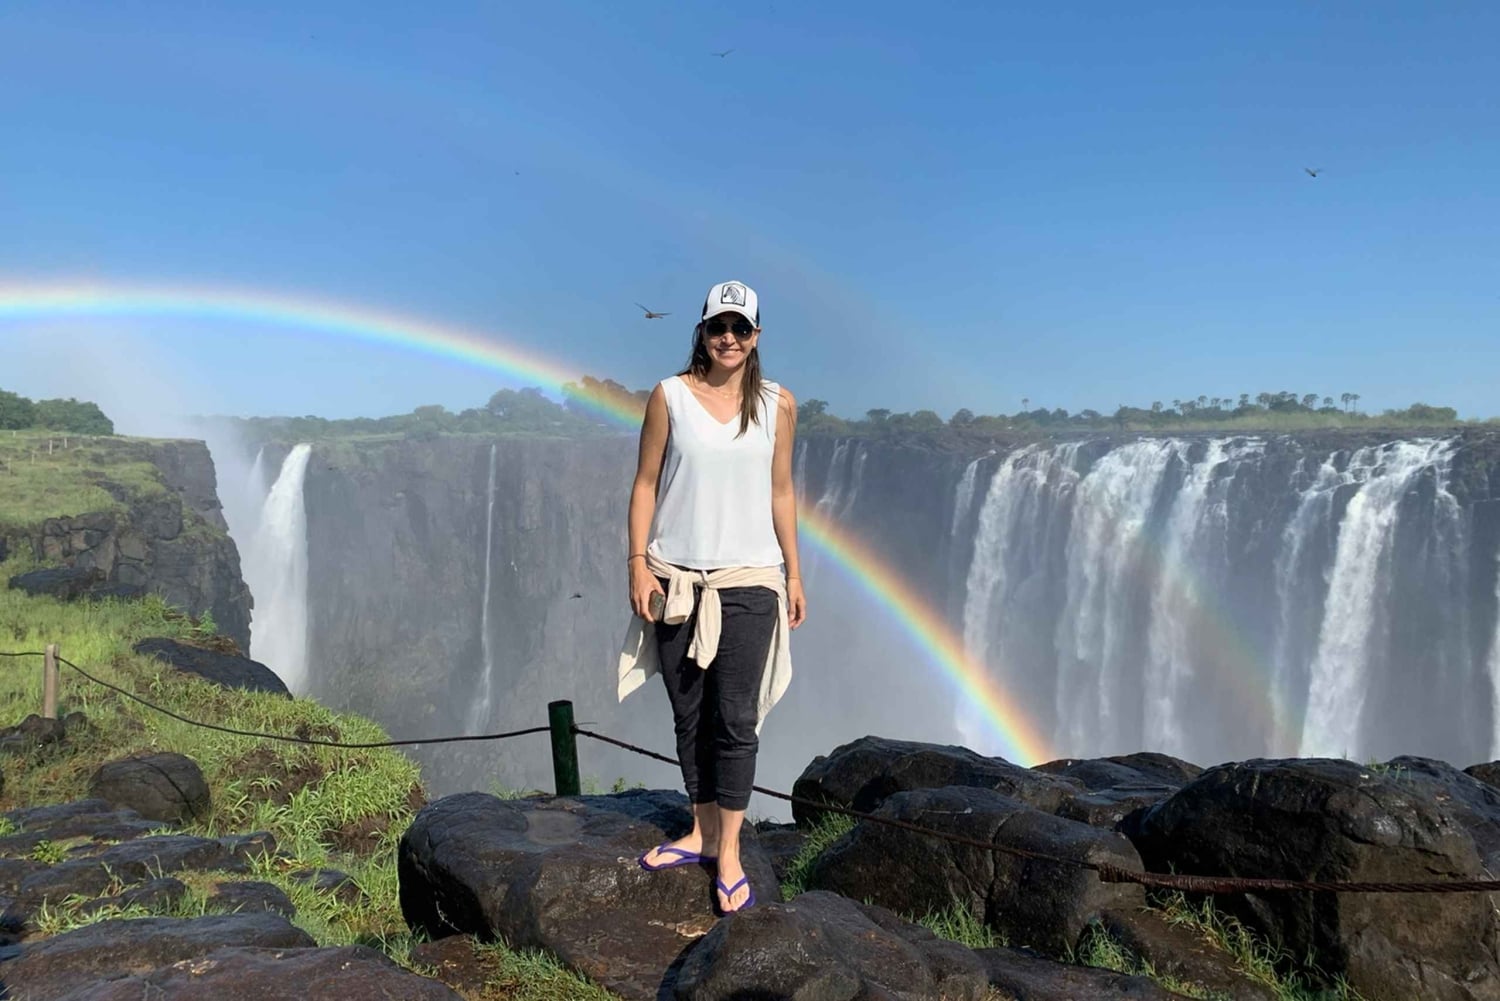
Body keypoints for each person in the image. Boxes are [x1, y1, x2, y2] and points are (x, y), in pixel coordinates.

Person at [616, 279, 807, 916]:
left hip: (750, 581)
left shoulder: (779, 404)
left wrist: (795, 576)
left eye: (741, 329)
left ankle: (728, 850)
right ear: (701, 331)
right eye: (718, 327)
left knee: (736, 719)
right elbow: (645, 485)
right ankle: (699, 831)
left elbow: (782, 493)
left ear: (757, 336)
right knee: (689, 713)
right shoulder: (669, 396)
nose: (729, 339)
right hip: (675, 579)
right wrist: (639, 567)